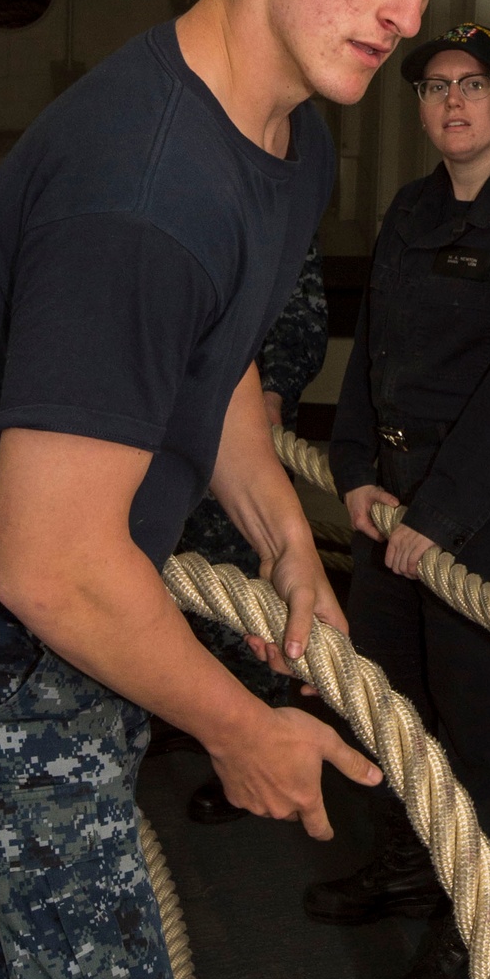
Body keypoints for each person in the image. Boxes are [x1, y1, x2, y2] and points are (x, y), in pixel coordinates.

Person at [0, 0, 480, 979]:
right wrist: (241, 724)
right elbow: (46, 562)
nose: (406, 12)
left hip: (59, 653)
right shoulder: (141, 193)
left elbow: (231, 372)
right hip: (4, 675)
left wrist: (276, 532)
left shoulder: (288, 135)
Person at [313, 22, 490, 979]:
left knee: (485, 746)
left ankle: (483, 936)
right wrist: (349, 474)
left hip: (482, 529)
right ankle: (405, 870)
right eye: (433, 86)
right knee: (389, 712)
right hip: (390, 516)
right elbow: (374, 352)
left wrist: (437, 518)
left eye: (474, 85)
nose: (453, 102)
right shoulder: (413, 208)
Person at [178, 242, 329, 825]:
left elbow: (300, 317)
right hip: (164, 430)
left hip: (239, 433)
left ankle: (254, 736)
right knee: (174, 580)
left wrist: (270, 397)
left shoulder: (275, 206)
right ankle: (187, 714)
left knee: (249, 594)